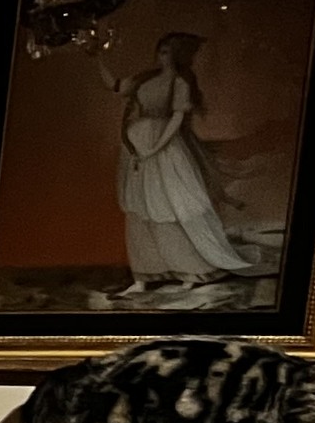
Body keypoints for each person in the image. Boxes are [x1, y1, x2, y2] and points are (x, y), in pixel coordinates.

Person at [105, 31, 245, 300]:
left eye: (168, 51)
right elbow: (116, 86)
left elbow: (176, 120)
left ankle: (190, 271)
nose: (162, 56)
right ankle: (142, 276)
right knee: (139, 211)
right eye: (160, 50)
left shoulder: (180, 83)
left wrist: (155, 148)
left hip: (163, 151)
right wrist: (95, 57)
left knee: (170, 208)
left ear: (178, 55)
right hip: (137, 151)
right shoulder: (145, 79)